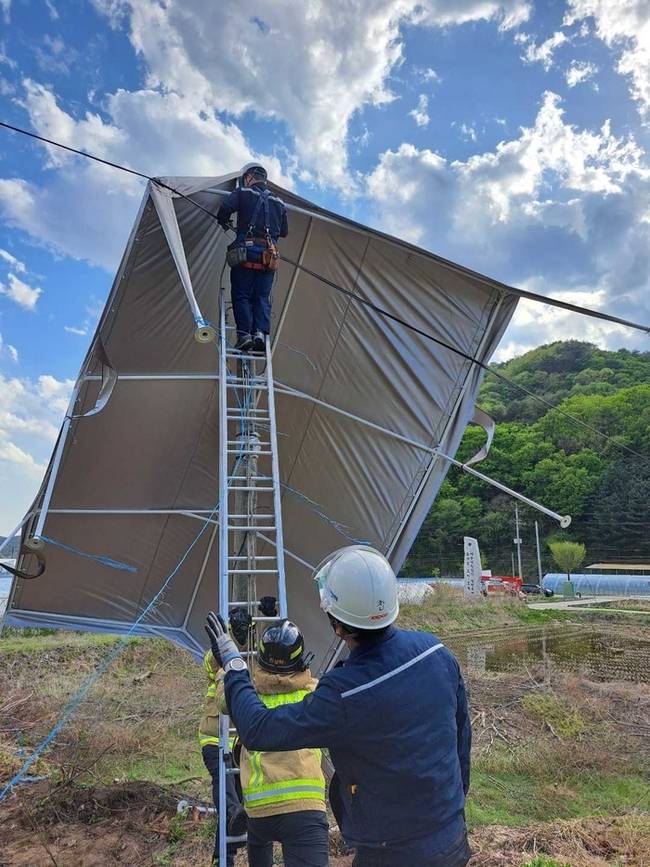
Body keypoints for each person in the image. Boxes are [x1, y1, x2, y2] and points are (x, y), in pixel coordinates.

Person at [206, 545, 472, 867]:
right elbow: (461, 741)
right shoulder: (435, 653)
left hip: (391, 853)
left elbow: (258, 729)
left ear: (337, 625)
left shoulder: (344, 692)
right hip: (450, 837)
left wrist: (233, 664)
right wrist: (452, 808)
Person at [236, 619, 329, 866]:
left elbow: (228, 691)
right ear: (301, 661)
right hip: (304, 807)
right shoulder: (315, 693)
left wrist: (233, 651)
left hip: (259, 810)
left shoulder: (249, 697)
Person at [217, 163, 289, 353]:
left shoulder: (243, 192)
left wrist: (224, 221)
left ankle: (245, 336)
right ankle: (259, 334)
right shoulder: (280, 203)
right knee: (261, 297)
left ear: (249, 177)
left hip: (246, 254)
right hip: (268, 257)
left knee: (241, 294)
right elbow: (284, 231)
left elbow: (225, 209)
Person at [199, 648, 247, 866]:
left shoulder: (254, 647)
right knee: (225, 788)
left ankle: (223, 857)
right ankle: (224, 856)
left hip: (238, 745)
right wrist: (227, 646)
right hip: (214, 740)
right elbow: (210, 664)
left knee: (238, 799)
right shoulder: (219, 648)